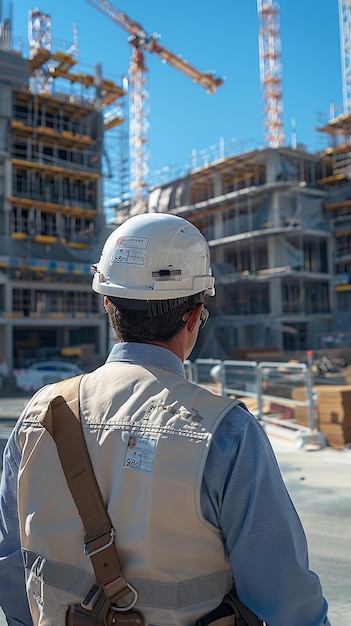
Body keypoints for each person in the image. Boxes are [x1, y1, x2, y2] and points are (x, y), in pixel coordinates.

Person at [0, 213, 330, 626]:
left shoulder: (40, 415)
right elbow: (288, 600)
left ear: (108, 304)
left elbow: (13, 566)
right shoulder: (227, 433)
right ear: (194, 317)